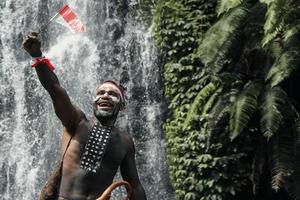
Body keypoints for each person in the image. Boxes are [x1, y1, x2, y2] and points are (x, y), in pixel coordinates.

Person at [22, 32, 147, 200]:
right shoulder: (77, 122)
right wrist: (37, 55)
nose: (105, 95)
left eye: (112, 94)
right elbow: (55, 89)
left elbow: (136, 186)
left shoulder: (125, 142)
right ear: (94, 101)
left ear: (121, 105)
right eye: (101, 92)